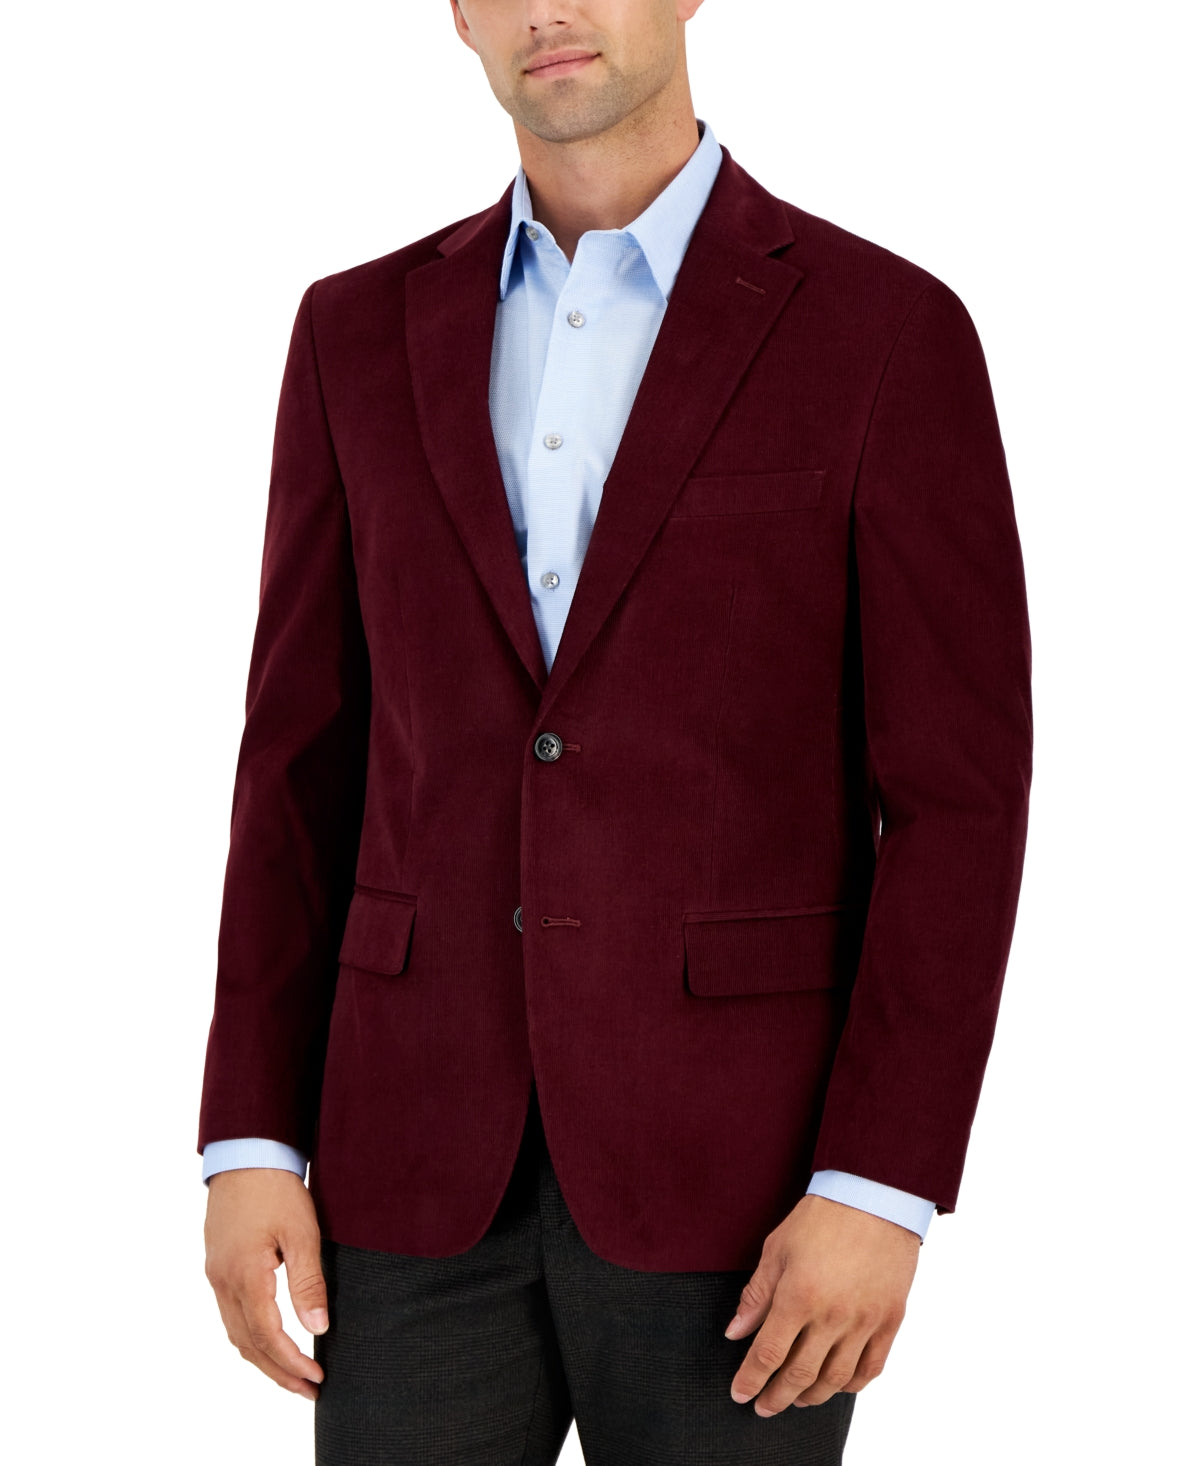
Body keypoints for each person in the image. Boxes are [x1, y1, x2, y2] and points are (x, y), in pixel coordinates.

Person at [198, 2, 1033, 1462]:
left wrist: (881, 1183)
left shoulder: (884, 330)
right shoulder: (354, 330)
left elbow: (957, 801)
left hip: (750, 1193)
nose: (549, 9)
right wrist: (251, 1136)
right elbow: (297, 761)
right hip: (405, 1172)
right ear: (458, 15)